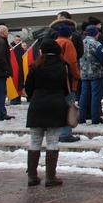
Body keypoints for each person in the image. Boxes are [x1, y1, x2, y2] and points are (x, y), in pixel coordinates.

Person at [24, 39, 71, 187]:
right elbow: (66, 88)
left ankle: (32, 176)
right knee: (52, 141)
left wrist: (34, 96)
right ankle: (51, 177)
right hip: (56, 105)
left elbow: (28, 87)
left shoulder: (35, 66)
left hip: (37, 104)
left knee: (35, 140)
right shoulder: (63, 67)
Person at [56, 25, 81, 142]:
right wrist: (77, 75)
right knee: (69, 106)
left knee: (59, 107)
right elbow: (72, 62)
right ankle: (65, 133)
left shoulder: (55, 42)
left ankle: (58, 131)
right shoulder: (68, 43)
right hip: (68, 81)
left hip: (56, 80)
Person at [79, 26, 103, 125]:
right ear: (96, 34)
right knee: (96, 96)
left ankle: (81, 117)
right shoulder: (97, 44)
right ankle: (95, 118)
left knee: (83, 96)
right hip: (97, 73)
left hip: (84, 73)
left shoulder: (80, 43)